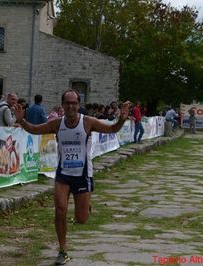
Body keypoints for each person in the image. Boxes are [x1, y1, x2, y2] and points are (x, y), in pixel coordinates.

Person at [14, 89, 130, 265]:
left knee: (81, 219)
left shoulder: (88, 122)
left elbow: (112, 128)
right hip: (63, 175)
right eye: (67, 103)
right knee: (60, 209)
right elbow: (35, 130)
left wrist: (121, 118)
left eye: (74, 103)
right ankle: (62, 250)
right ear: (63, 105)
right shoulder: (56, 124)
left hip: (83, 176)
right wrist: (21, 120)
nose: (71, 106)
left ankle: (85, 205)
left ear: (79, 105)